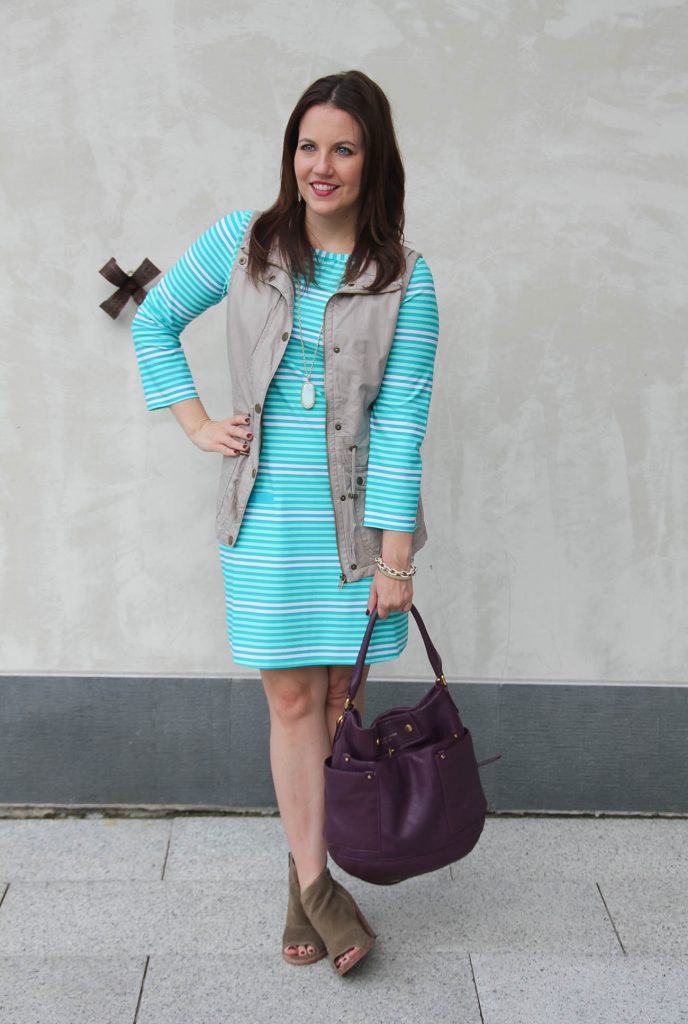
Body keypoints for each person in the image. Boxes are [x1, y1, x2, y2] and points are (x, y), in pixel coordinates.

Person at [131, 69, 439, 976]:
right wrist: (197, 424)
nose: (322, 165)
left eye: (343, 147)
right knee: (293, 698)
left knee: (341, 704)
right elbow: (157, 324)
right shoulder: (242, 242)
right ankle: (320, 883)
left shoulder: (407, 279)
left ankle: (305, 880)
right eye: (309, 146)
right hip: (266, 508)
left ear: (373, 157)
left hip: (352, 523)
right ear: (289, 155)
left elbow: (403, 421)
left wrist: (397, 561)